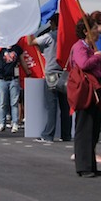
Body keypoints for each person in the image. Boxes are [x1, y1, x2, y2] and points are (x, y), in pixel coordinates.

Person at [72, 11, 101, 176]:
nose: (98, 31)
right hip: (86, 90)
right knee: (85, 128)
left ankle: (91, 165)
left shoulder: (91, 47)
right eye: (94, 27)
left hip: (95, 89)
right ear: (86, 31)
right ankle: (83, 167)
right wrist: (97, 57)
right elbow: (83, 64)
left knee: (94, 129)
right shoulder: (79, 47)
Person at [31, 14, 71, 143]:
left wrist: (29, 28)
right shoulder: (68, 37)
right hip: (65, 74)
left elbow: (31, 42)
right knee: (65, 107)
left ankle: (48, 134)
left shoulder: (49, 36)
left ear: (53, 23)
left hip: (51, 74)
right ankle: (66, 134)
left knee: (52, 106)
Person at [0, 41, 26, 133]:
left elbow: (22, 60)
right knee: (2, 103)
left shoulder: (17, 49)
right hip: (2, 78)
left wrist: (27, 72)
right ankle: (1, 124)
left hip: (13, 78)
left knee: (14, 102)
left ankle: (15, 123)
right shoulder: (1, 48)